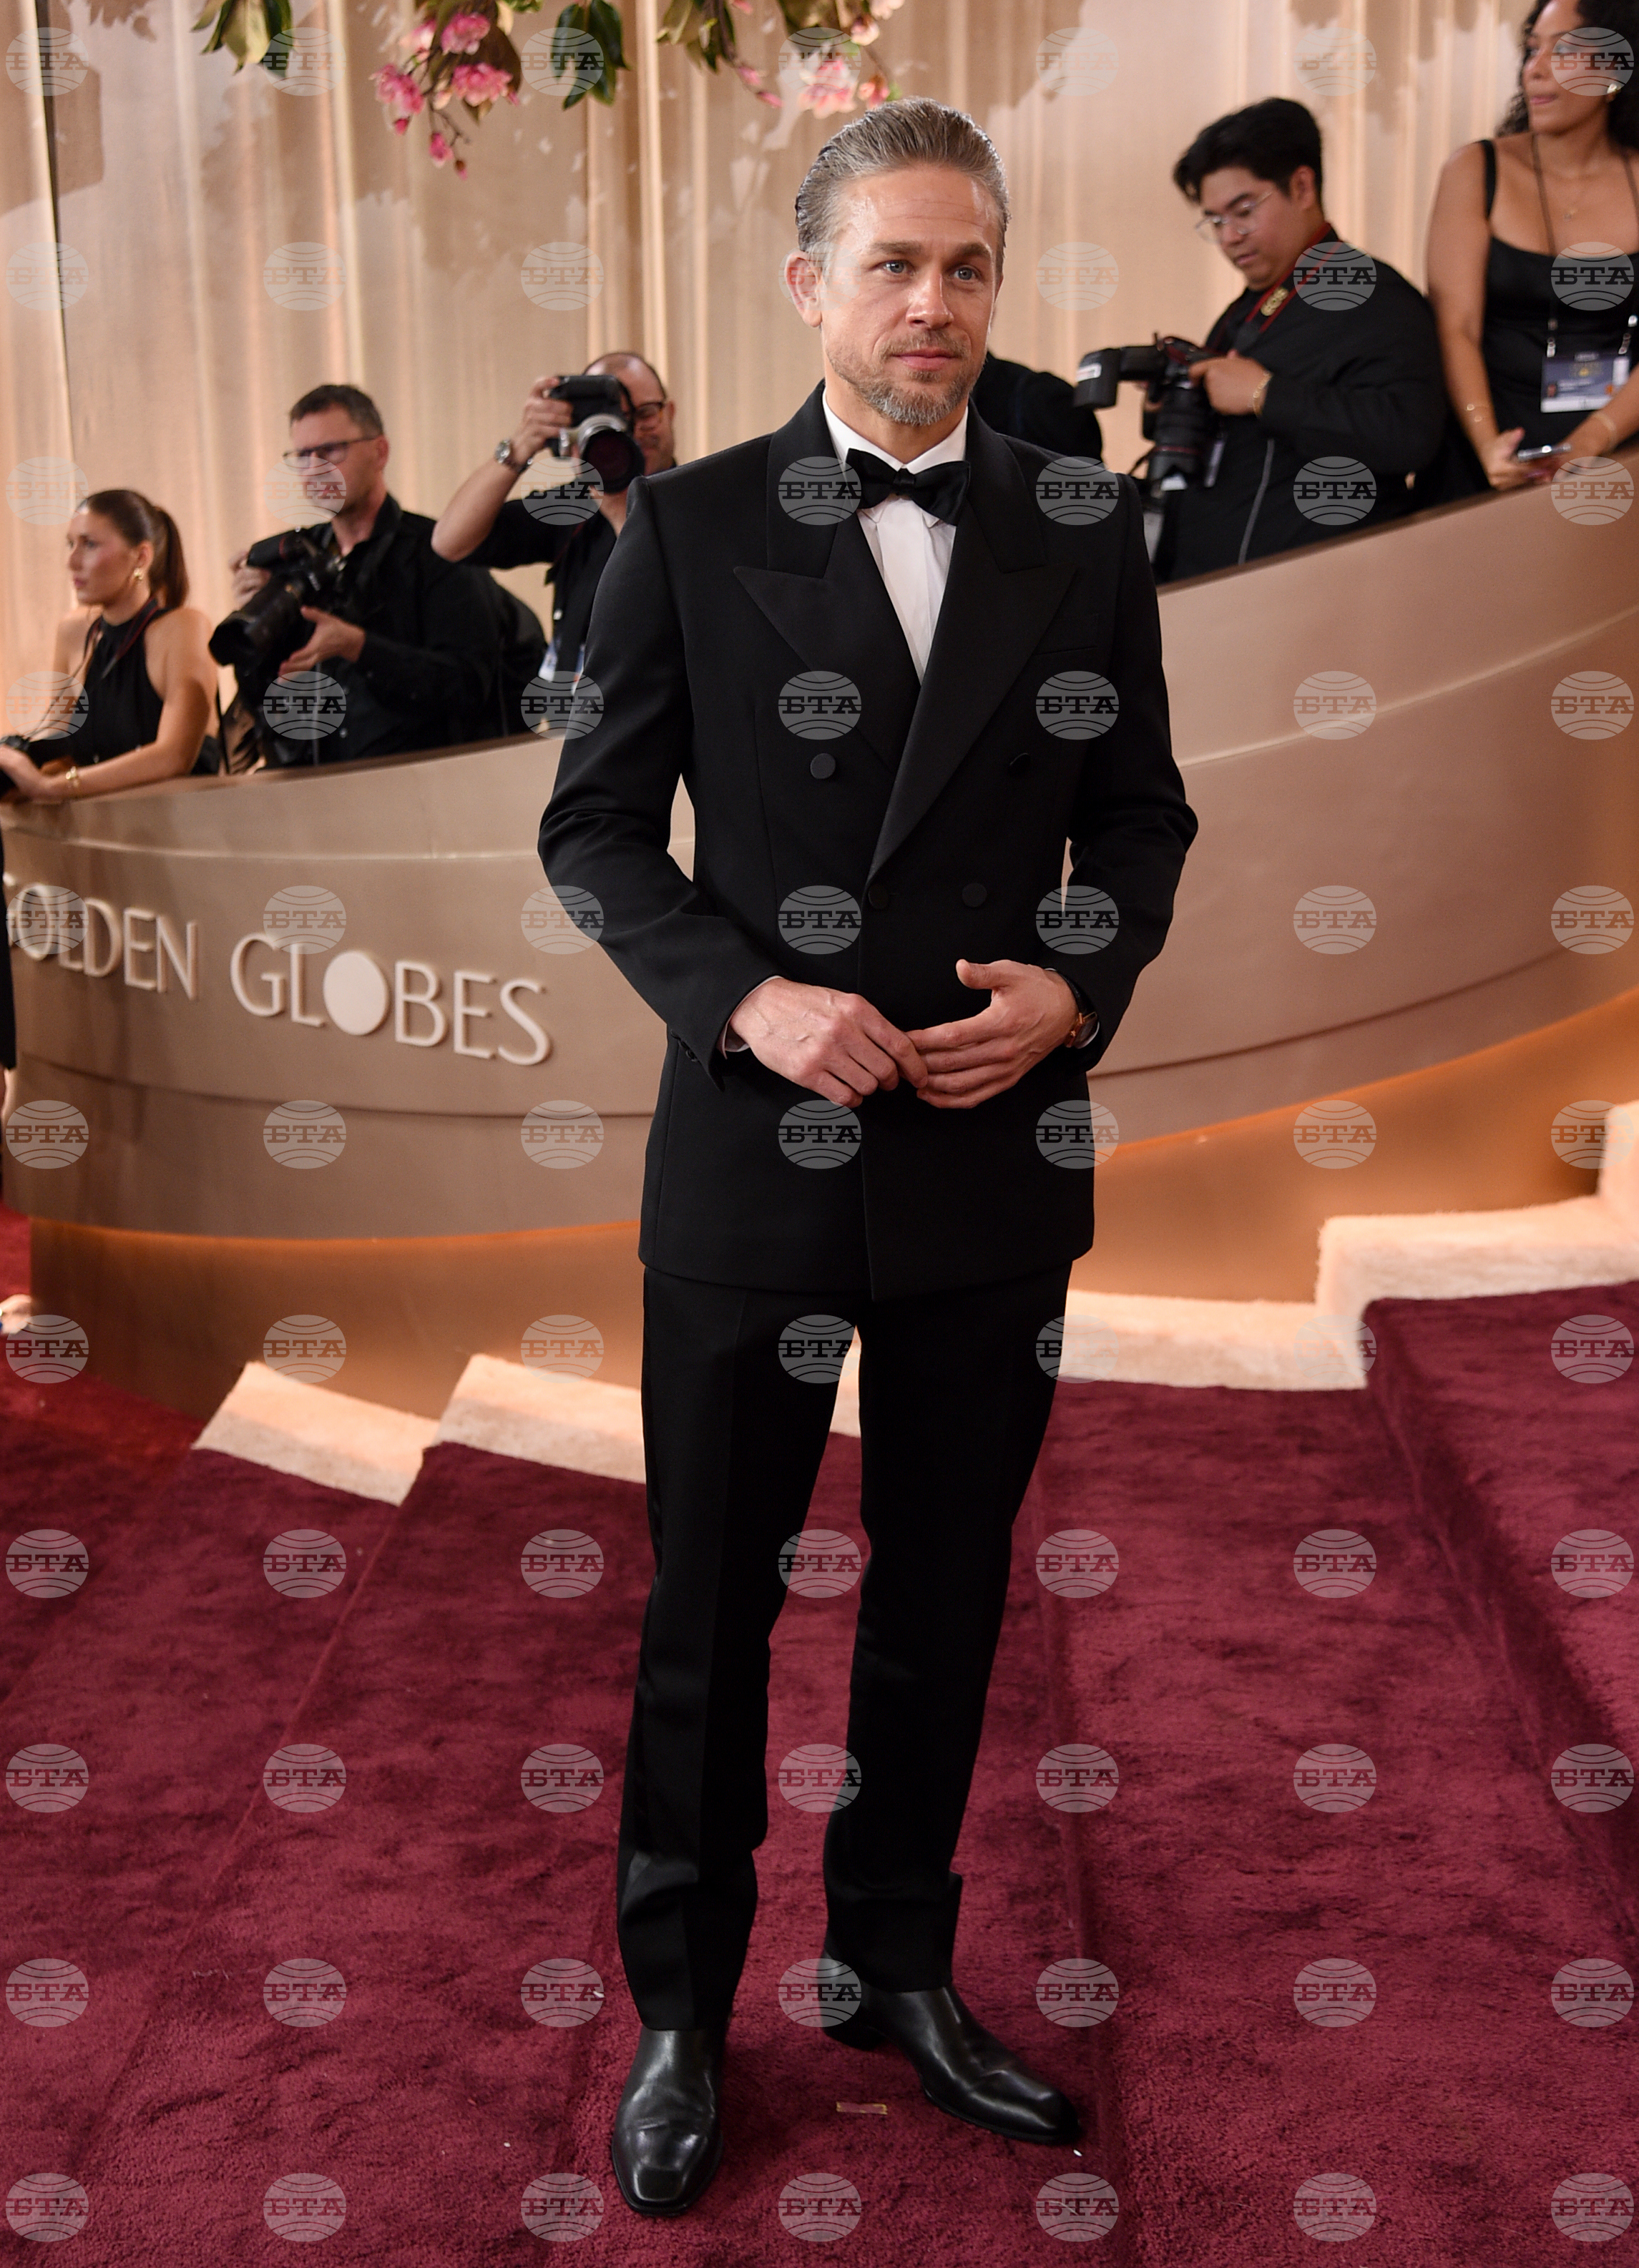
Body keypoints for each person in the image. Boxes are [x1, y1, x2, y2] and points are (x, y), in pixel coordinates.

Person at [537, 98, 1197, 2217]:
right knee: (707, 1608)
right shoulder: (688, 524)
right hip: (752, 1154)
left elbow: (1142, 825)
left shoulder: (1081, 525)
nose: (934, 302)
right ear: (809, 282)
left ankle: (891, 1967)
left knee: (939, 1594)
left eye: (970, 264)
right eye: (894, 262)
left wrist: (1069, 992)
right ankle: (679, 2010)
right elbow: (592, 834)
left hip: (987, 1155)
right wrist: (746, 997)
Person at [1156, 97, 1447, 580]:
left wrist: (1265, 394)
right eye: (1214, 221)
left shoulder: (1377, 299)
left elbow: (1408, 434)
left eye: (1242, 210)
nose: (1229, 236)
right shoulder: (1247, 308)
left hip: (1316, 594)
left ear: (1302, 185)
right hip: (1211, 590)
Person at [227, 384, 542, 765]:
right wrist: (255, 627)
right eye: (302, 456)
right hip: (318, 787)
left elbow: (471, 685)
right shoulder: (295, 562)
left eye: (330, 451)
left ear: (380, 452)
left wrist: (359, 647)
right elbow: (266, 703)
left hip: (423, 783)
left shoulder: (438, 549)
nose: (314, 469)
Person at [1423, 0, 1639, 498]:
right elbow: (1456, 328)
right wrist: (1487, 444)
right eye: (1530, 51)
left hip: (1617, 445)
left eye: (1561, 52)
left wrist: (1592, 438)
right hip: (1488, 446)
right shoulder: (1475, 169)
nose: (1534, 70)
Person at [431, 353, 680, 677]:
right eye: (608, 418)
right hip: (574, 719)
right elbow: (450, 542)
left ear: (670, 412)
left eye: (645, 414)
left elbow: (674, 610)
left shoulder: (697, 500)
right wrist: (520, 446)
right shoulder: (576, 504)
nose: (629, 430)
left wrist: (621, 512)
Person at [0, 491, 215, 804]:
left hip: (186, 831)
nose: (71, 561)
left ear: (142, 557)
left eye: (89, 545)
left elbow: (174, 756)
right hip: (107, 831)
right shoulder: (74, 632)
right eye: (70, 544)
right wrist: (20, 774)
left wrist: (50, 788)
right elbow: (63, 754)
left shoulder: (183, 627)